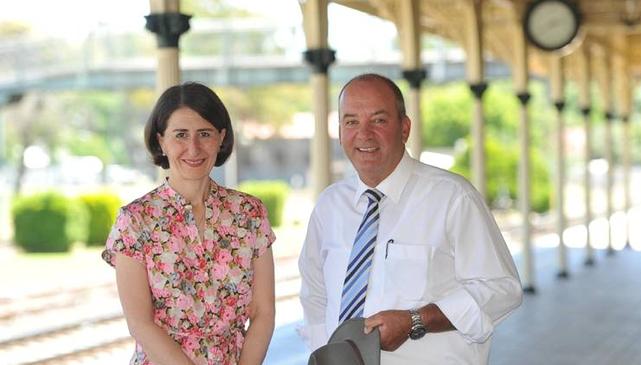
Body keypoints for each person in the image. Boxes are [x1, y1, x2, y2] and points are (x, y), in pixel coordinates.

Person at [298, 73, 522, 364]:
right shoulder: (329, 205)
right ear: (340, 131)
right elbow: (315, 295)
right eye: (351, 121)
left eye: (378, 120)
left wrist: (417, 320)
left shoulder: (452, 197)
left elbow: (502, 288)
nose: (364, 134)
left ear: (404, 128)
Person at [102, 82, 276, 365]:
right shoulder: (135, 220)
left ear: (221, 138)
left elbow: (264, 312)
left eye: (204, 134)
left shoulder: (250, 214)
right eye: (180, 135)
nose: (193, 148)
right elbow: (140, 323)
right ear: (161, 141)